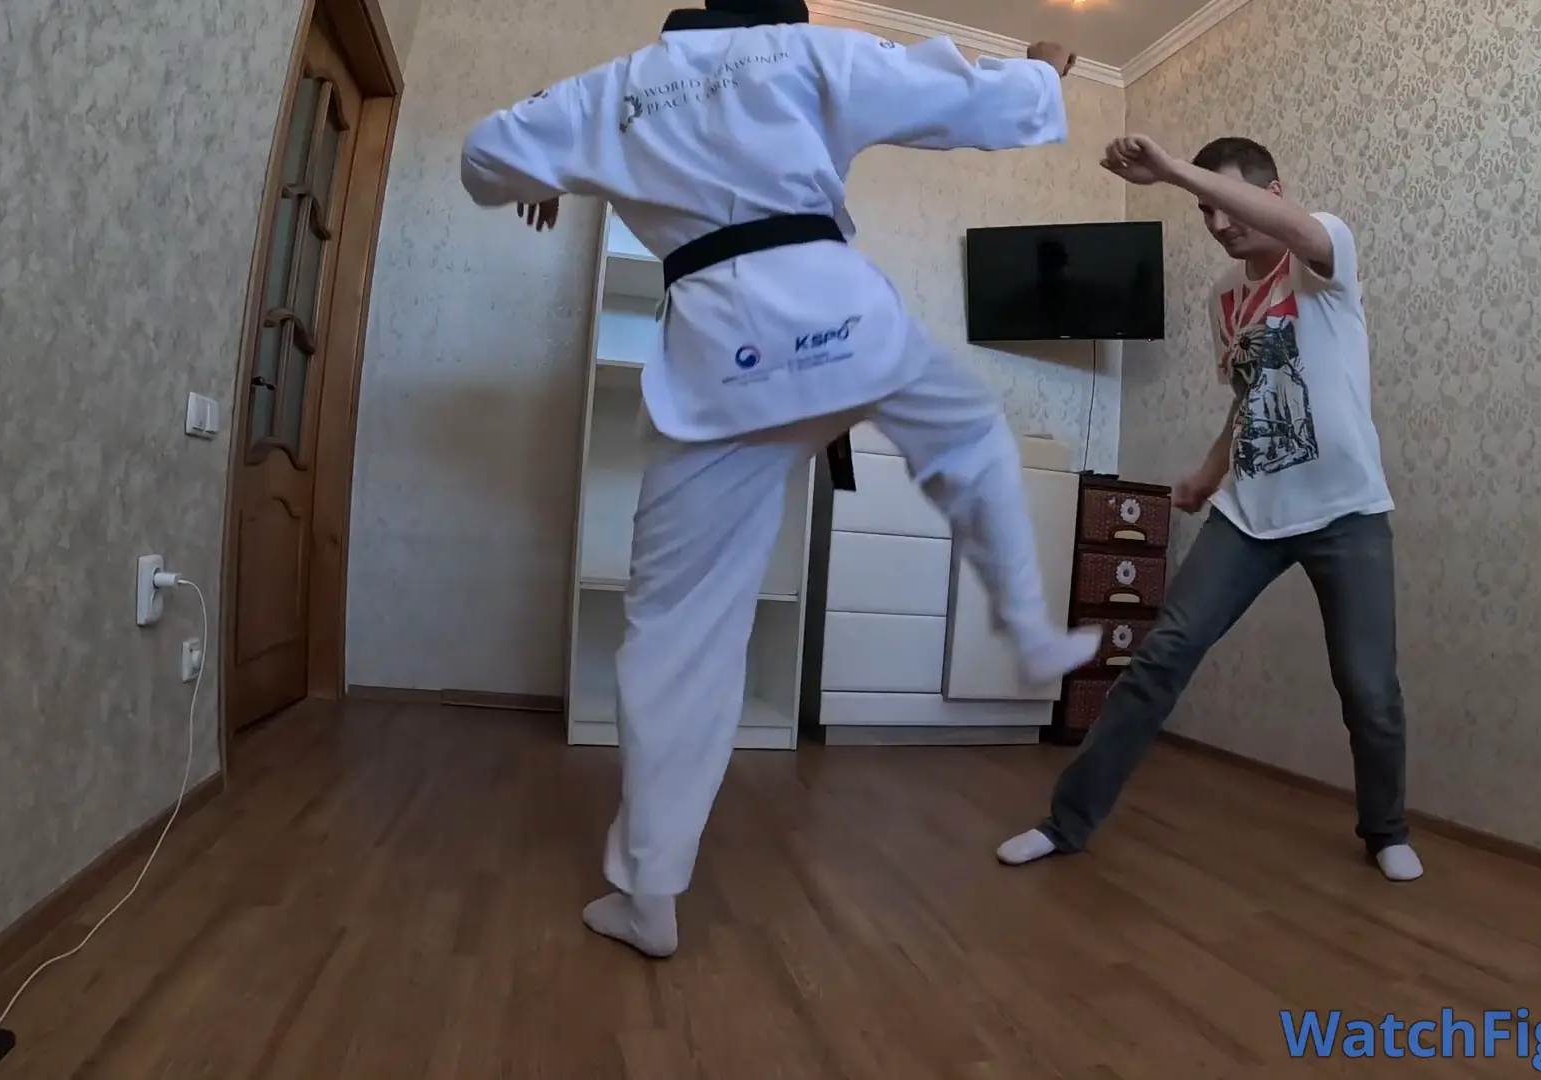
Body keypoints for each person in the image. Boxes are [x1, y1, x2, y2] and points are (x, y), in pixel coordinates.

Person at [458, 0, 1104, 958]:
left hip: (720, 368)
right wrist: (1043, 69)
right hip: (842, 328)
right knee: (969, 437)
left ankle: (649, 897)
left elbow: (484, 155)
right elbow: (963, 98)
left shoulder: (618, 86)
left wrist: (543, 170)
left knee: (676, 632)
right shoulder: (810, 50)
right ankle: (1029, 628)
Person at [996, 133, 1423, 883]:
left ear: (1272, 194)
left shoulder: (1323, 255)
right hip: (1248, 515)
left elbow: (1294, 231)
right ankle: (1065, 823)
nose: (1218, 224)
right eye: (1204, 213)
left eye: (1226, 204)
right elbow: (1251, 400)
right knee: (1159, 659)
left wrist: (1172, 171)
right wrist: (1205, 473)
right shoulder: (1225, 298)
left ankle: (1385, 829)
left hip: (1346, 511)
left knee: (1369, 689)